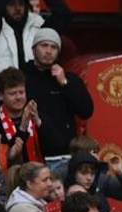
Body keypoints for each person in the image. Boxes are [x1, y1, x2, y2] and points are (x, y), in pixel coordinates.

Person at [22, 27, 92, 160]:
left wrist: (65, 83)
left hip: (63, 154)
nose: (48, 51)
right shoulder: (22, 76)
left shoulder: (69, 78)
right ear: (33, 49)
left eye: (54, 47)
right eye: (44, 45)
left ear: (58, 52)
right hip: (31, 153)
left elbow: (86, 111)